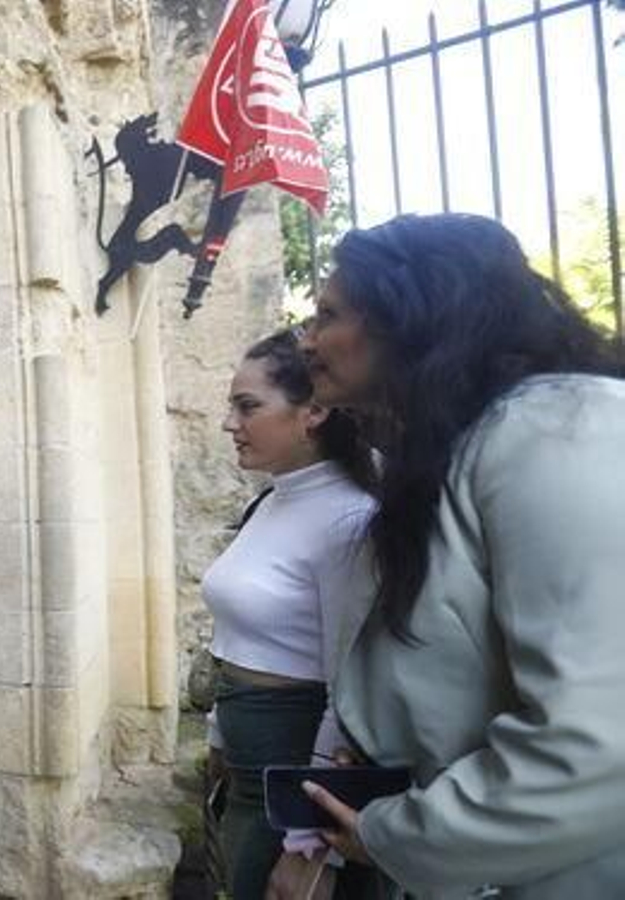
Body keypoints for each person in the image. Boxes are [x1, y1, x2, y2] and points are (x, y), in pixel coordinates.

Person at [295, 213, 625, 898]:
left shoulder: (558, 431)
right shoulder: (466, 446)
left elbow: (598, 742)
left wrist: (399, 834)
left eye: (327, 314)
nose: (307, 339)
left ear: (407, 315)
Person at [203, 328, 378, 899]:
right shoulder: (272, 498)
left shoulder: (349, 520)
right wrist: (218, 739)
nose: (230, 423)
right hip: (247, 777)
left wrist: (310, 844)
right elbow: (234, 634)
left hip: (293, 791)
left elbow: (350, 686)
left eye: (247, 406)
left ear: (315, 412)